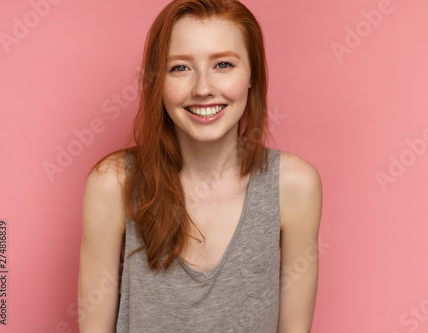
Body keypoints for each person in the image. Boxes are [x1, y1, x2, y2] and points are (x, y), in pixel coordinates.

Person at [77, 0, 322, 332]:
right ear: (157, 83)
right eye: (180, 67)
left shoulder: (294, 186)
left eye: (223, 64)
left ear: (252, 76)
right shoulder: (113, 183)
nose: (203, 89)